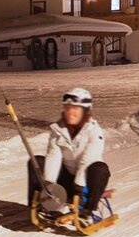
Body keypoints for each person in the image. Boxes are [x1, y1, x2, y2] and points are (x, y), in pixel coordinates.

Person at [28, 87, 110, 222]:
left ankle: (87, 211)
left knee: (100, 168)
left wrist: (79, 188)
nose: (70, 112)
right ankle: (40, 205)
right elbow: (54, 156)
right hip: (66, 180)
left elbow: (88, 160)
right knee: (36, 162)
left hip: (86, 184)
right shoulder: (58, 130)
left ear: (85, 110)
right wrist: (49, 185)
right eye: (68, 108)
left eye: (75, 109)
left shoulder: (95, 132)